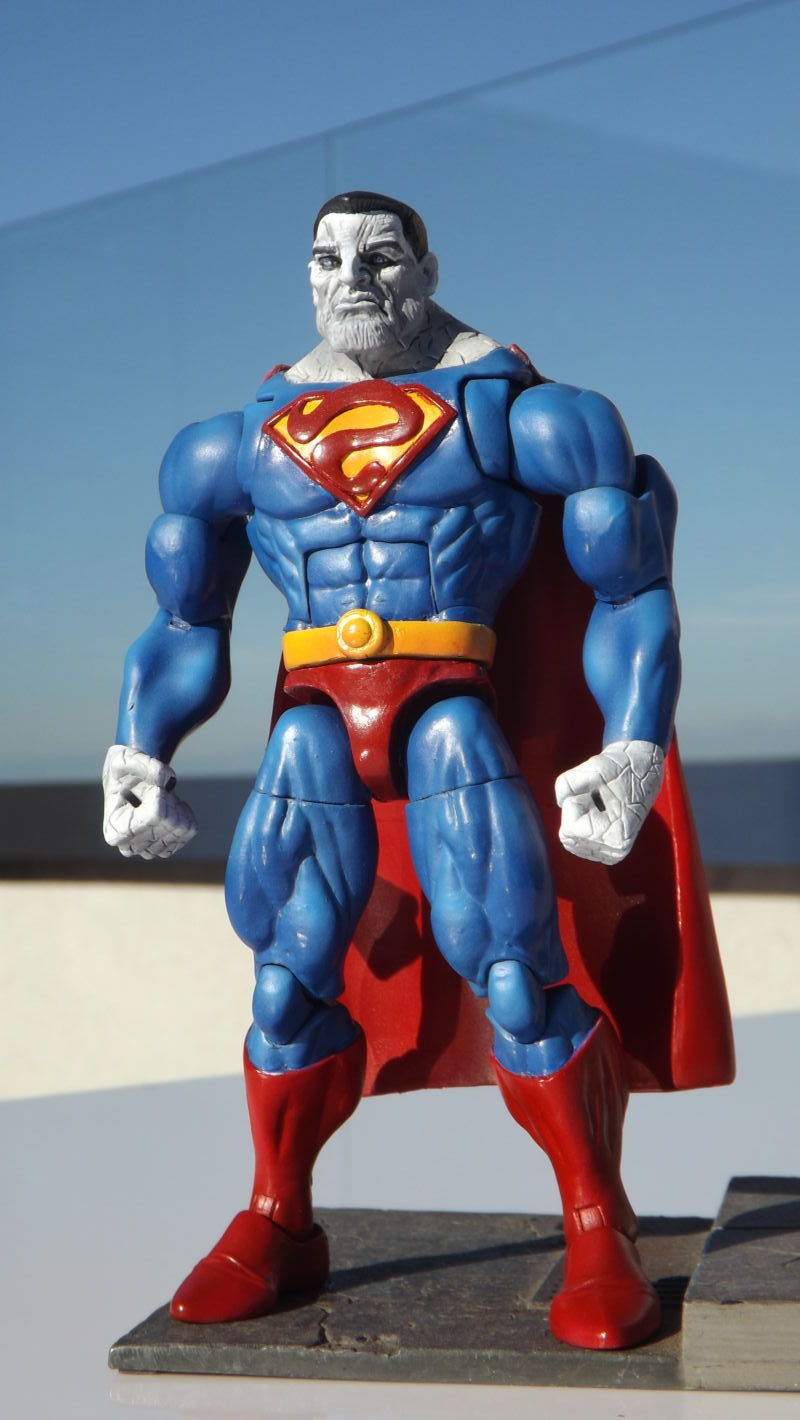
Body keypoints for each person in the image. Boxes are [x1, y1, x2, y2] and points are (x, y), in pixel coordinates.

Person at [103, 191, 729, 1350]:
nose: (352, 277)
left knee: (512, 971)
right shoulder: (231, 444)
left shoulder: (519, 416)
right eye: (327, 258)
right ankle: (278, 1214)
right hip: (311, 718)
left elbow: (630, 586)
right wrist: (139, 745)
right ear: (305, 276)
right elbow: (185, 619)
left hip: (448, 709)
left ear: (426, 269)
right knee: (284, 980)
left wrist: (632, 738)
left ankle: (595, 1219)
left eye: (380, 255)